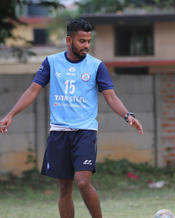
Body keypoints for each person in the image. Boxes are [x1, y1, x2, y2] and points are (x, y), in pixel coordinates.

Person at [0, 18, 143, 218]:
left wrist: (128, 115)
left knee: (83, 182)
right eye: (81, 41)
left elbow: (110, 96)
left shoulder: (96, 66)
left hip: (85, 132)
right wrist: (10, 115)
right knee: (64, 189)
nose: (86, 45)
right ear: (69, 40)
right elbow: (32, 91)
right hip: (59, 133)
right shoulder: (51, 62)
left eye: (88, 41)